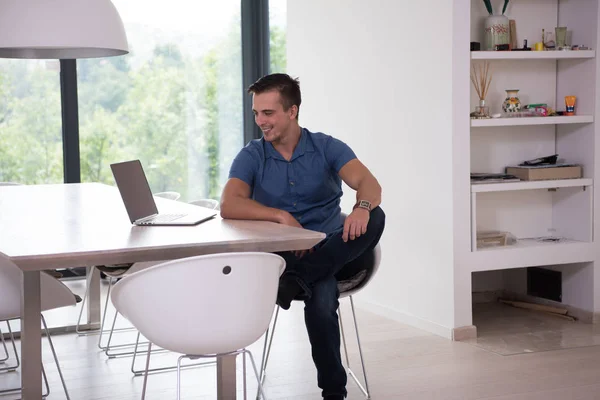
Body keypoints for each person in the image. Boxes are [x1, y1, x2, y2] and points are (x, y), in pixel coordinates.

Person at [220, 73, 385, 400]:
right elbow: (229, 204)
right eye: (256, 113)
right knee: (322, 298)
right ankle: (335, 393)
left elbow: (370, 184)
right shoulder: (252, 155)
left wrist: (361, 208)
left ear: (292, 111)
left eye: (268, 113)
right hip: (284, 257)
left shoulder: (326, 147)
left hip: (331, 247)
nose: (260, 121)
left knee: (376, 216)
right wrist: (279, 215)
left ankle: (300, 280)